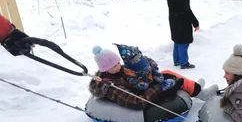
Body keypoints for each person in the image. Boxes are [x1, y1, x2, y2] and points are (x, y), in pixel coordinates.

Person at [89, 45, 218, 110]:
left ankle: (197, 89)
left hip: (142, 86)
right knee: (174, 80)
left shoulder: (115, 72)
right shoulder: (111, 87)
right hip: (146, 96)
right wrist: (158, 87)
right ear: (105, 69)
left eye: (118, 63)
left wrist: (149, 66)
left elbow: (133, 70)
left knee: (166, 72)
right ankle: (200, 93)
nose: (119, 66)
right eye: (114, 66)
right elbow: (137, 101)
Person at [164, 0, 199, 69]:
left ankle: (177, 61)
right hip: (183, 21)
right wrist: (195, 23)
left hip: (174, 20)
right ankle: (184, 63)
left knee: (177, 41)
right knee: (183, 42)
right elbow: (187, 10)